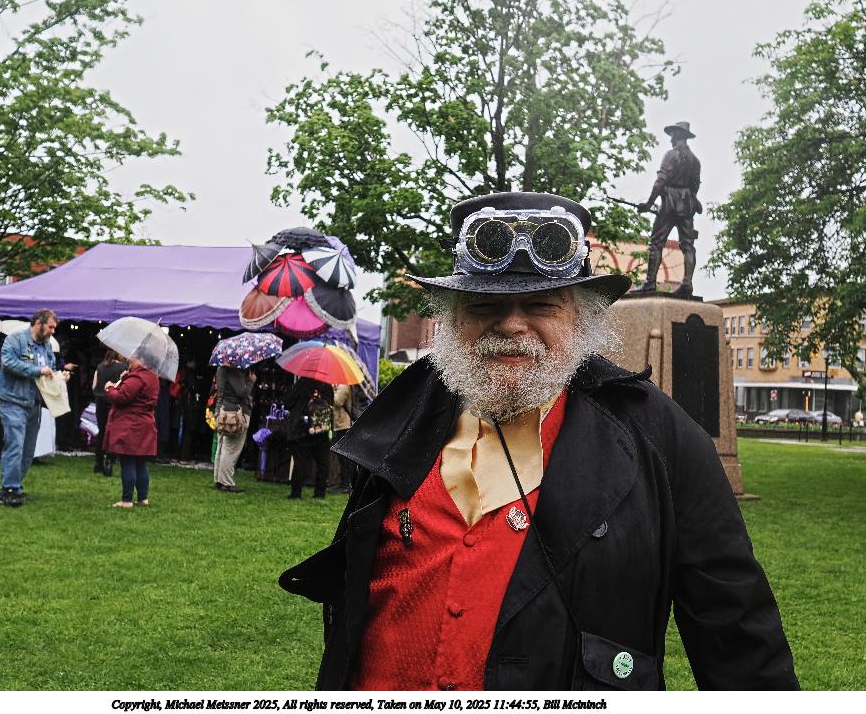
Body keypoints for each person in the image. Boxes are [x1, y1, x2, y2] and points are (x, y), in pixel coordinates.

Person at [280, 191, 798, 691]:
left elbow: (739, 642)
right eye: (484, 305)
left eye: (541, 304)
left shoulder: (663, 438)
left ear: (582, 317)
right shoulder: (398, 419)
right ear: (452, 316)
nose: (511, 325)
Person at [0, 309, 63, 508]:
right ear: (38, 323)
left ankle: (15, 487)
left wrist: (58, 376)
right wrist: (37, 370)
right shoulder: (14, 340)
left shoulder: (47, 345)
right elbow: (9, 363)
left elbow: (50, 368)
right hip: (12, 401)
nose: (53, 331)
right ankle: (8, 489)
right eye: (51, 327)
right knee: (15, 444)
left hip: (34, 403)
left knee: (28, 449)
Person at [636, 121, 703, 297]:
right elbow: (695, 186)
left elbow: (660, 181)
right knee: (688, 245)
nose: (671, 138)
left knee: (656, 242)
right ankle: (687, 283)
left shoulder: (670, 155)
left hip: (669, 203)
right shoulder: (695, 161)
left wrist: (648, 204)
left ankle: (650, 283)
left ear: (679, 135)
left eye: (673, 134)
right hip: (687, 205)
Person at [103, 355, 159, 508]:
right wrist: (126, 378)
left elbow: (121, 398)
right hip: (144, 424)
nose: (129, 360)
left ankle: (126, 500)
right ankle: (143, 498)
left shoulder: (137, 378)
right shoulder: (152, 377)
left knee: (127, 461)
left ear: (143, 360)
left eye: (134, 357)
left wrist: (109, 388)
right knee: (140, 463)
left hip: (131, 425)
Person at [282, 376, 333, 499]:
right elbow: (331, 403)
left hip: (302, 430)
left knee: (300, 462)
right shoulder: (326, 385)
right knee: (323, 463)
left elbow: (287, 403)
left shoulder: (302, 383)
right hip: (321, 429)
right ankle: (320, 493)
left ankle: (296, 493)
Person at [212, 365, 254, 493]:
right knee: (231, 448)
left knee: (222, 447)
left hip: (224, 410)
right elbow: (242, 392)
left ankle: (219, 479)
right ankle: (226, 482)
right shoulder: (234, 370)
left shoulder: (221, 368)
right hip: (235, 413)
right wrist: (251, 382)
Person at [92, 350, 127, 476]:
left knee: (101, 432)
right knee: (113, 433)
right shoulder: (123, 368)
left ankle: (98, 462)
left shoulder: (100, 366)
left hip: (100, 401)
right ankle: (109, 462)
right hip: (114, 403)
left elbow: (94, 386)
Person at [329, 383, 354, 493]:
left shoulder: (343, 386)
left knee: (344, 458)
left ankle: (346, 485)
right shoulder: (340, 386)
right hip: (340, 425)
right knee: (341, 457)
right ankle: (344, 483)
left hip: (344, 425)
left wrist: (331, 391)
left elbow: (338, 402)